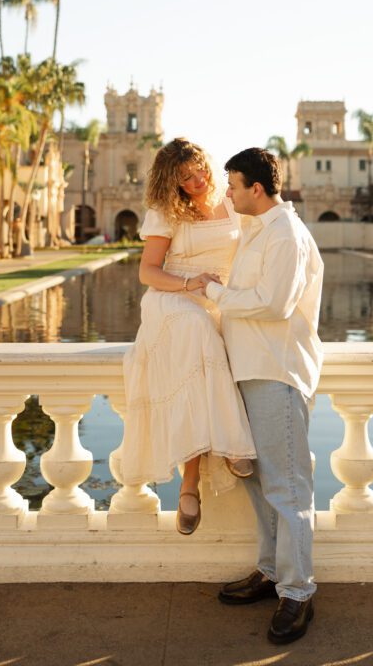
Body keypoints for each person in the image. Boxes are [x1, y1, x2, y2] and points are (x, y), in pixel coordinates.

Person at [195, 147, 323, 646]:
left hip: (276, 373)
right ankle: (271, 573)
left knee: (288, 486)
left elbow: (275, 304)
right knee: (259, 482)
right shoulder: (257, 231)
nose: (227, 192)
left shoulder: (287, 234)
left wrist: (215, 293)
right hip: (247, 373)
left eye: (233, 185)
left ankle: (298, 592)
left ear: (257, 189)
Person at [118, 138, 256, 536]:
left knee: (208, 341)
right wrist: (189, 283)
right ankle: (207, 467)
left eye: (200, 171)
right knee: (197, 331)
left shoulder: (232, 202)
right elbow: (148, 272)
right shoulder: (164, 211)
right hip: (172, 300)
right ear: (172, 181)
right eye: (186, 178)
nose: (197, 181)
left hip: (217, 300)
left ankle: (198, 477)